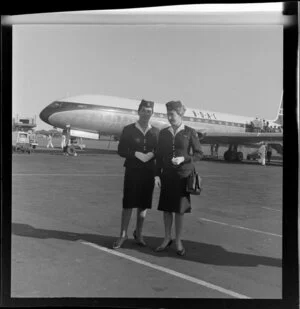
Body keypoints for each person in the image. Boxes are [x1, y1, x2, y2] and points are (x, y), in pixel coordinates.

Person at [154, 100, 202, 256]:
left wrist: (185, 159)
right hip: (167, 175)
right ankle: (167, 238)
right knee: (167, 209)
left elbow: (199, 153)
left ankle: (178, 240)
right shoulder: (164, 132)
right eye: (168, 114)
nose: (169, 117)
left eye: (172, 114)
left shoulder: (190, 132)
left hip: (183, 176)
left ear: (180, 114)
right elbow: (159, 156)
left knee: (179, 211)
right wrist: (156, 174)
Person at [112, 99, 159, 249]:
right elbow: (121, 150)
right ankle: (122, 234)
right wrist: (135, 153)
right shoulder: (129, 129)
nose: (146, 114)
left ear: (152, 113)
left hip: (148, 172)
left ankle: (139, 234)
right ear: (138, 111)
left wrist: (153, 154)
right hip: (133, 171)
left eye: (149, 111)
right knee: (128, 203)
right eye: (144, 111)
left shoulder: (156, 132)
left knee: (143, 204)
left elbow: (160, 151)